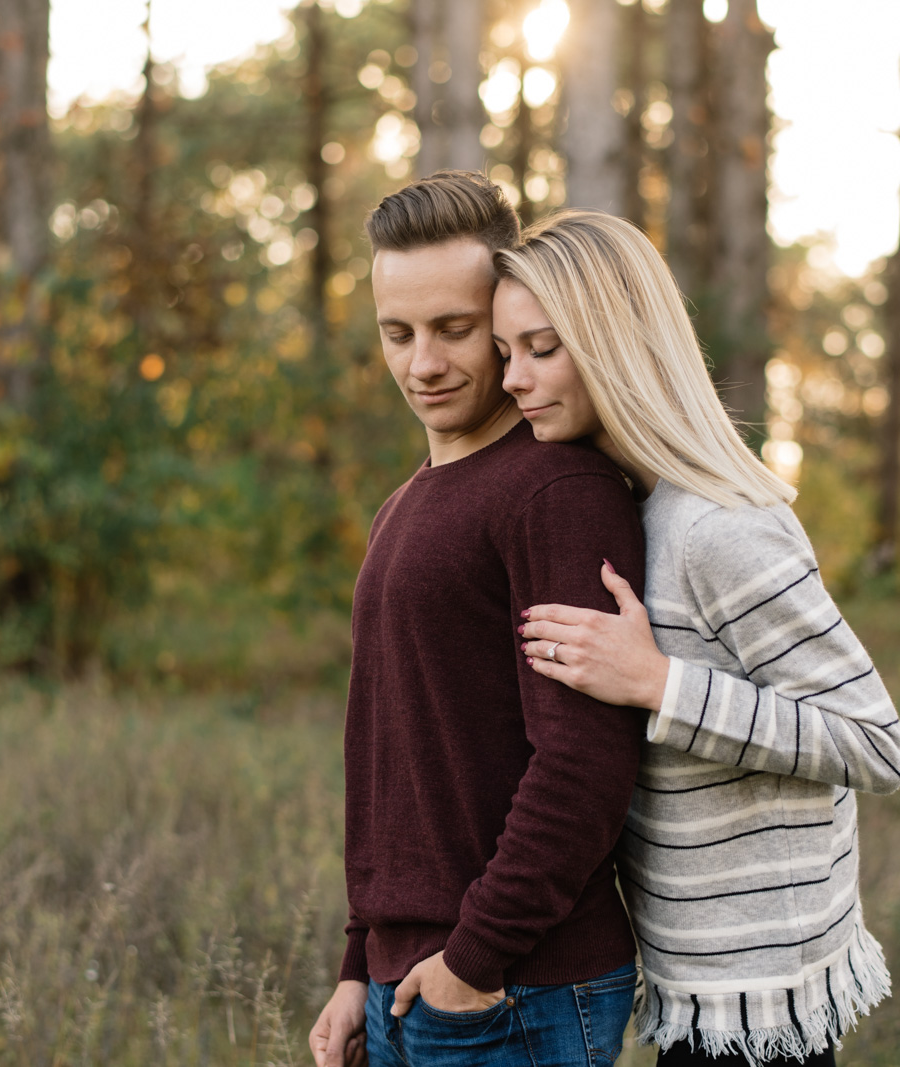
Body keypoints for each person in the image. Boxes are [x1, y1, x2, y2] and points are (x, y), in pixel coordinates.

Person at [495, 210, 900, 1066]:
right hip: (696, 988)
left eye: (542, 347)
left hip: (762, 1006)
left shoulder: (718, 526)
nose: (513, 378)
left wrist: (660, 685)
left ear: (615, 342)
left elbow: (877, 743)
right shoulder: (641, 508)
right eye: (506, 353)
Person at [308, 174, 647, 1067]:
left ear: (502, 317)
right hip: (407, 983)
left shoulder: (557, 491)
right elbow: (389, 754)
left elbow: (586, 758)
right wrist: (358, 963)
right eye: (398, 332)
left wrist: (474, 959)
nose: (423, 362)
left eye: (454, 330)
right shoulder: (406, 502)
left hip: (513, 989)